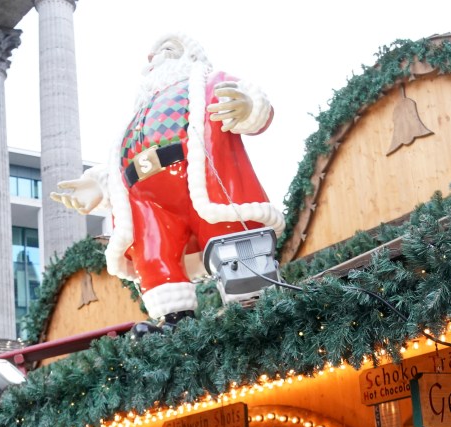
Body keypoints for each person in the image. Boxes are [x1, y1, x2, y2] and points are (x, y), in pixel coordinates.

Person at [51, 32, 284, 322]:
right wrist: (97, 186)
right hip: (149, 205)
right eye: (152, 54)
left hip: (204, 183)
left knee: (230, 235)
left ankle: (253, 303)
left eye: (166, 49)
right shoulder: (137, 115)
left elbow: (255, 104)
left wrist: (249, 106)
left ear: (190, 55)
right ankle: (174, 320)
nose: (154, 57)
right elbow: (118, 164)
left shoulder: (207, 85)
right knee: (153, 255)